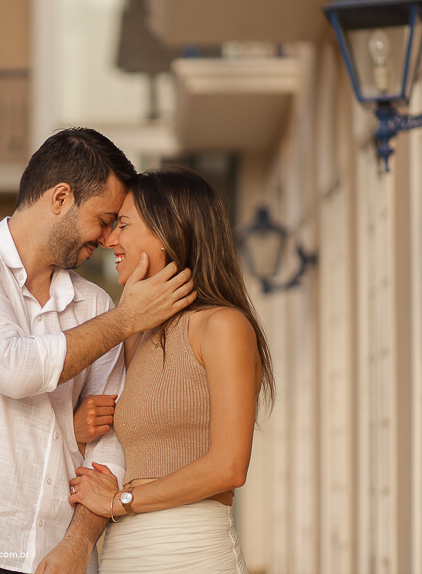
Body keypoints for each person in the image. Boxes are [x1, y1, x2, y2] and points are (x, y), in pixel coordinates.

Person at [0, 128, 196, 574]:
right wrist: (127, 320)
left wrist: (77, 545)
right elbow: (11, 367)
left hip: (54, 557)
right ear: (60, 198)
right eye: (104, 218)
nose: (109, 236)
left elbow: (109, 442)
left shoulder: (95, 304)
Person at [67, 166, 276, 573]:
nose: (109, 239)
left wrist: (121, 502)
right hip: (124, 551)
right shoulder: (135, 335)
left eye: (123, 224)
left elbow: (229, 466)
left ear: (166, 232)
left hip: (191, 550)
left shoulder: (223, 326)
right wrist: (75, 428)